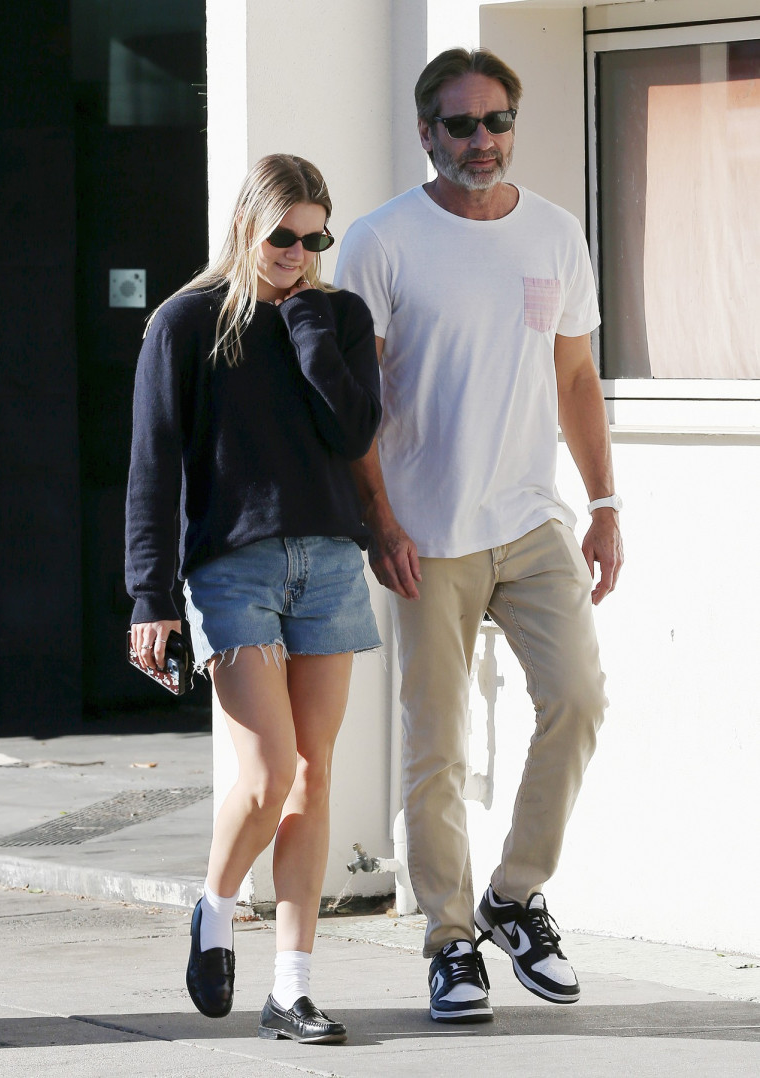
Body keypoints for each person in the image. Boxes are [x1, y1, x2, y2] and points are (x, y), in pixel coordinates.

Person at [335, 48, 623, 1024]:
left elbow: (576, 379)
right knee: (437, 748)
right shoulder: (381, 241)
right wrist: (378, 521)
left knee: (578, 699)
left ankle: (515, 893)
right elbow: (355, 404)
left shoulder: (554, 233)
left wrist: (607, 503)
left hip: (534, 520)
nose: (482, 140)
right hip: (429, 531)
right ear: (427, 133)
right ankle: (451, 939)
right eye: (460, 125)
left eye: (496, 121)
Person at [125, 154, 382, 1044]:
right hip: (232, 570)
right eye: (283, 236)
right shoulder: (186, 321)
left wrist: (309, 321)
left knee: (314, 777)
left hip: (329, 565)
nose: (298, 252)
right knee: (269, 773)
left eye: (315, 238)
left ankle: (292, 986)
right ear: (246, 225)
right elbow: (153, 467)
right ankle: (215, 904)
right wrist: (147, 597)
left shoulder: (338, 315)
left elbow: (354, 431)